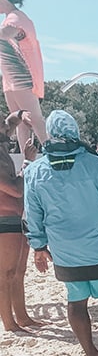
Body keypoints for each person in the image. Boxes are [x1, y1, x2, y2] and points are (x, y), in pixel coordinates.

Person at [23, 110, 98, 356]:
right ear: (75, 133)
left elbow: (32, 214)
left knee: (76, 300)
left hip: (64, 253)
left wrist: (39, 246)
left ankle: (90, 353)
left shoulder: (35, 171)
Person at [0, 108, 39, 331]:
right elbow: (15, 190)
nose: (7, 130)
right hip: (4, 217)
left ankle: (22, 317)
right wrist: (27, 163)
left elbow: (11, 120)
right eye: (3, 128)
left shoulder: (2, 145)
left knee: (19, 271)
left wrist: (23, 113)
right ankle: (9, 322)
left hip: (15, 216)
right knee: (5, 274)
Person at [0, 0, 46, 149]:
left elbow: (6, 34)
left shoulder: (17, 18)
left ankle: (54, 155)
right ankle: (26, 161)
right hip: (10, 79)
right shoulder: (9, 18)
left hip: (21, 75)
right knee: (19, 122)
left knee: (34, 119)